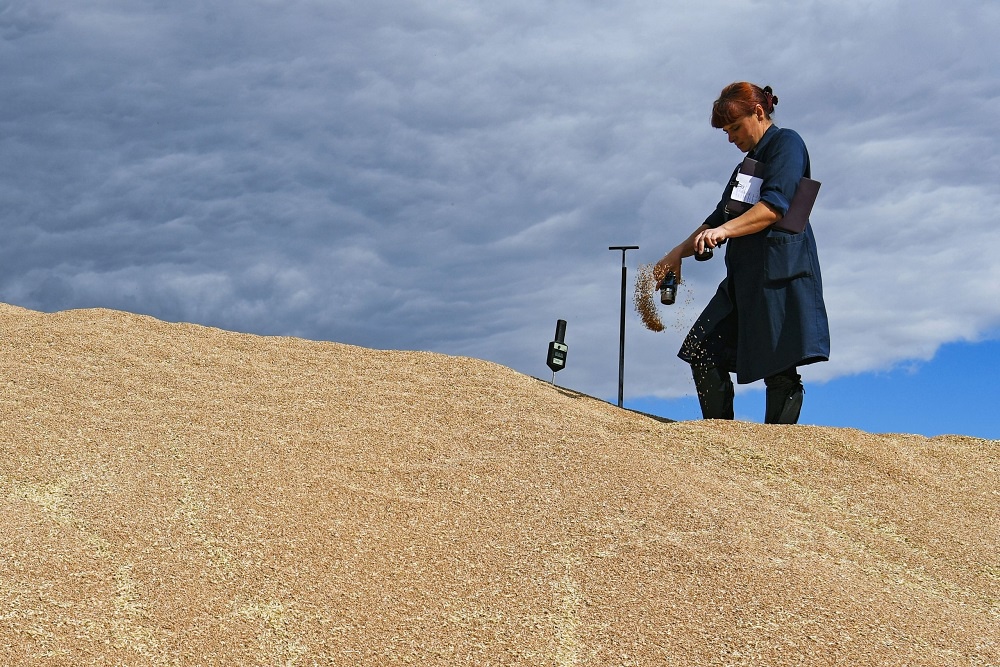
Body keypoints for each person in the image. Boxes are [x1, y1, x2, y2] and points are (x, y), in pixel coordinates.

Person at [654, 82, 830, 424]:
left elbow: (774, 207)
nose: (730, 138)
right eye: (725, 131)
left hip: (780, 274)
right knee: (701, 349)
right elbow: (718, 218)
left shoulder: (787, 143)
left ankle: (780, 451)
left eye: (734, 127)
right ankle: (720, 438)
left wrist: (724, 232)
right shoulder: (746, 166)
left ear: (758, 113)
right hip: (743, 280)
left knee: (780, 368)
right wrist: (677, 253)